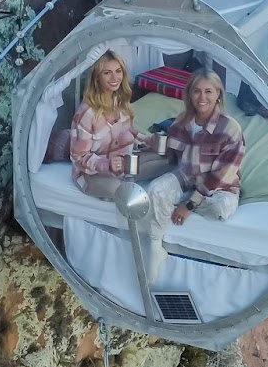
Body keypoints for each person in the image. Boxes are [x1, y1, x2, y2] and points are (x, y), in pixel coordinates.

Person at [142, 69, 245, 281]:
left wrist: (190, 204)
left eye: (208, 91)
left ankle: (172, 207)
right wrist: (149, 143)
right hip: (186, 178)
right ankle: (155, 248)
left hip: (217, 187)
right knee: (155, 189)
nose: (202, 97)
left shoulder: (231, 128)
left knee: (221, 207)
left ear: (218, 94)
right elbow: (170, 157)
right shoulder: (182, 121)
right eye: (196, 91)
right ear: (189, 94)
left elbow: (219, 177)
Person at [67, 50, 169, 199]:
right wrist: (106, 164)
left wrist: (149, 141)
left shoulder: (120, 102)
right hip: (92, 174)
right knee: (120, 190)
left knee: (168, 160)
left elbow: (131, 133)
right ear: (97, 77)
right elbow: (79, 157)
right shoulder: (87, 113)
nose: (115, 78)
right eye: (107, 73)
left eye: (118, 71)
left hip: (123, 166)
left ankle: (129, 179)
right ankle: (127, 184)